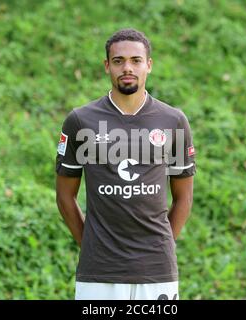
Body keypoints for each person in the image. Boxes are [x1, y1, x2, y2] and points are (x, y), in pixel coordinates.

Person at [55, 28, 195, 300]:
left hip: (157, 271)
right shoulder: (80, 121)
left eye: (136, 60)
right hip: (99, 273)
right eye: (118, 61)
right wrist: (92, 246)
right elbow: (64, 196)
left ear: (149, 65)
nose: (127, 68)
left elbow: (184, 197)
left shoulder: (173, 121)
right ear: (107, 66)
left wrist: (162, 246)